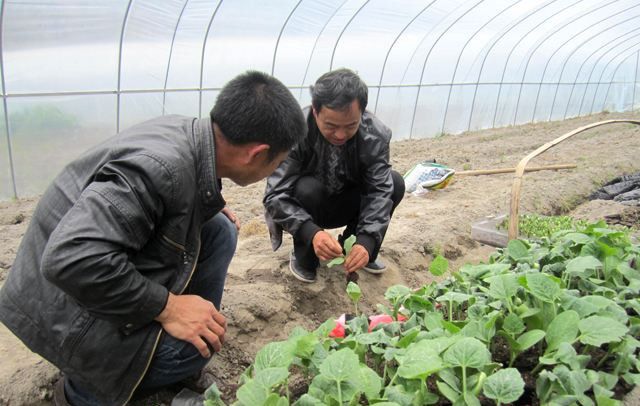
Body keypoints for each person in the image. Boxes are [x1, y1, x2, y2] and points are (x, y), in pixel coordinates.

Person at [0, 71, 306, 405]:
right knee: (190, 352)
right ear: (256, 153)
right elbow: (70, 259)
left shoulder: (190, 137)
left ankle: (167, 353)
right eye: (277, 161)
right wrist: (168, 307)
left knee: (217, 230)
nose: (273, 171)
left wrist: (205, 205)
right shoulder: (161, 169)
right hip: (59, 310)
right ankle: (83, 392)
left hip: (77, 289)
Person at [263, 68, 405, 283]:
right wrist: (311, 232)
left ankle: (356, 250)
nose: (340, 134)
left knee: (394, 182)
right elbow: (275, 196)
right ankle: (306, 257)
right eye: (331, 126)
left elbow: (379, 190)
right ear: (315, 111)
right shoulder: (294, 132)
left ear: (363, 114)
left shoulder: (375, 134)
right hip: (311, 205)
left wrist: (366, 241)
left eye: (351, 126)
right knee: (306, 188)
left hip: (348, 201)